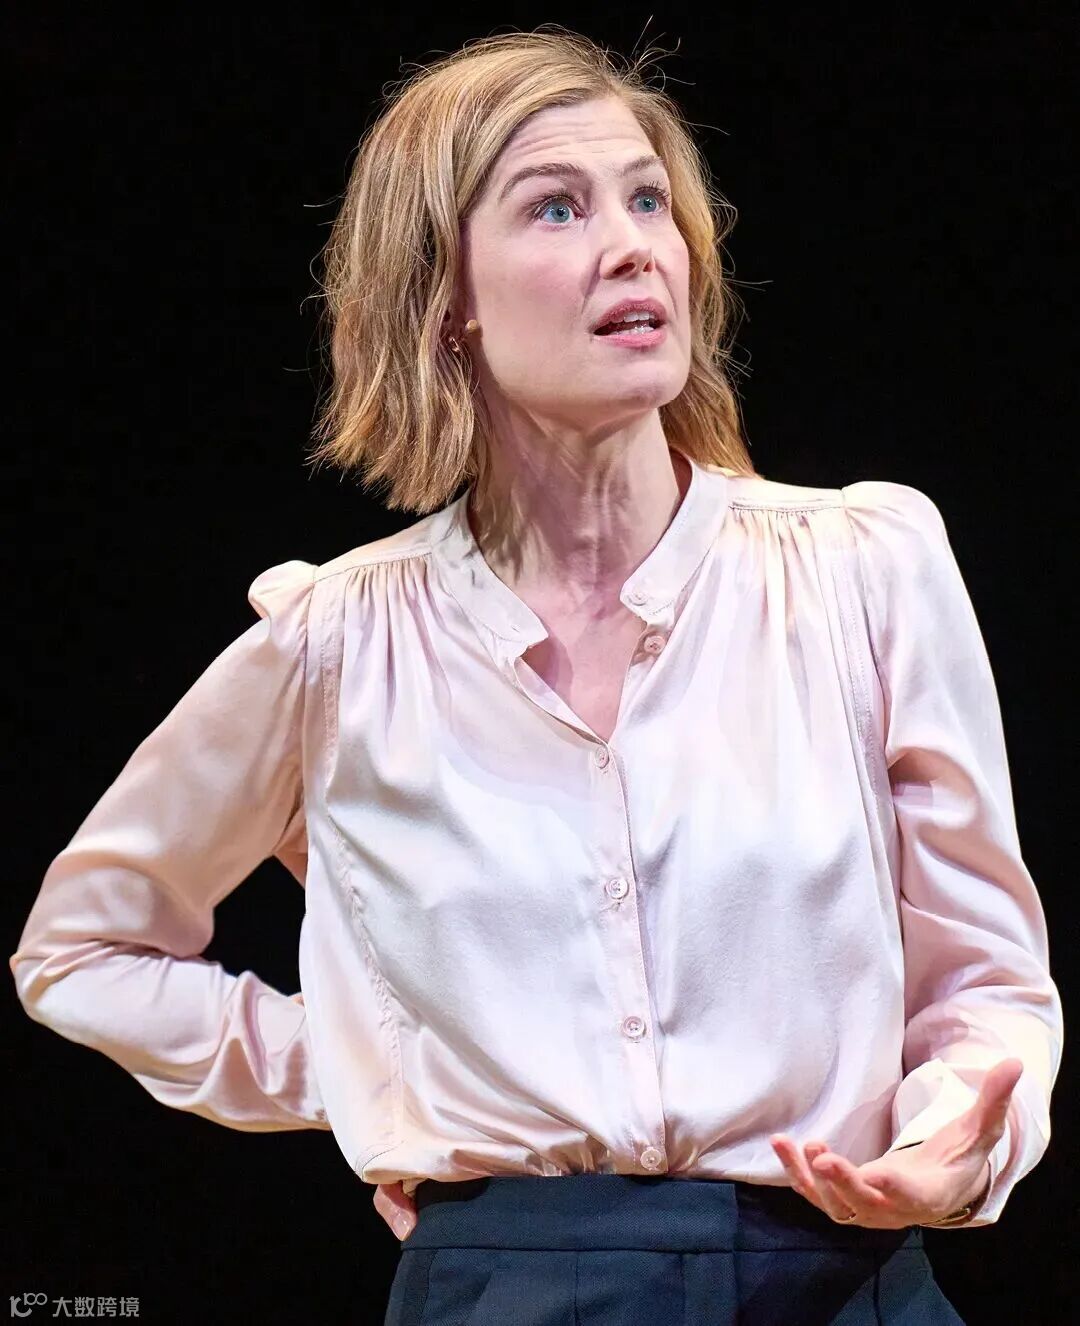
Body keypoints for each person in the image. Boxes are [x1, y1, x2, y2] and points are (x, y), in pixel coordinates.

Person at [10, 27, 1062, 1326]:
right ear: (442, 295)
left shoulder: (861, 567)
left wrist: (954, 1145)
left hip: (840, 1277)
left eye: (648, 200)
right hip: (508, 1286)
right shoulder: (342, 640)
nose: (632, 246)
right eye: (557, 207)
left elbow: (985, 980)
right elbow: (82, 948)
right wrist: (373, 1073)